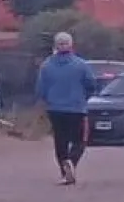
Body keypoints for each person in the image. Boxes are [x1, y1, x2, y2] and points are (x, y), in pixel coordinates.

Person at [35, 32, 97, 185]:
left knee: (60, 140)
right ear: (71, 45)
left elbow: (40, 89)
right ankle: (72, 161)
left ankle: (64, 173)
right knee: (80, 140)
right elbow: (91, 85)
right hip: (76, 108)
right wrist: (84, 97)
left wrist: (46, 101)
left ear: (56, 46)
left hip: (55, 109)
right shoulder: (81, 65)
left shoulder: (47, 65)